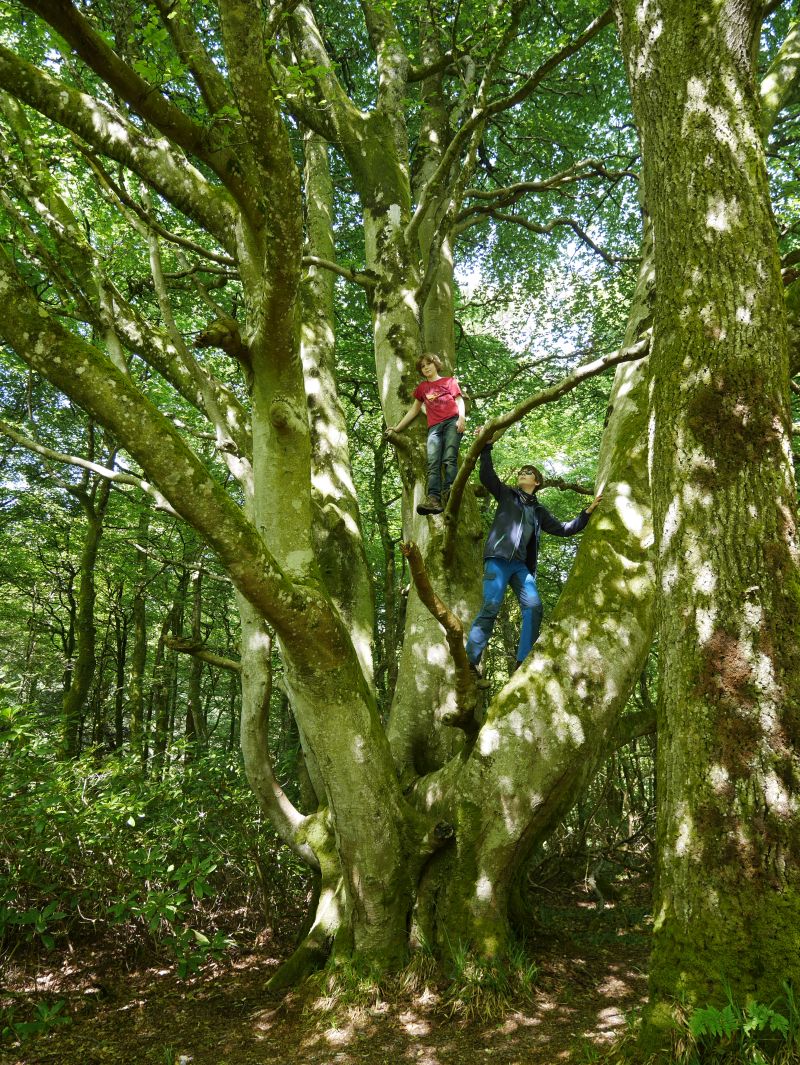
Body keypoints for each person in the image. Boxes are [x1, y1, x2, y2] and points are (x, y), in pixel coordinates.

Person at [465, 438, 602, 674]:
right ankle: (470, 661)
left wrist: (587, 513)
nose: (522, 474)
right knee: (491, 605)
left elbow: (564, 529)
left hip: (520, 566)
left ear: (536, 482)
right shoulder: (507, 495)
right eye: (521, 472)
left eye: (528, 472)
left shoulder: (538, 511)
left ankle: (522, 661)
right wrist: (485, 448)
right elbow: (487, 476)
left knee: (534, 606)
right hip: (497, 558)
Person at [388, 353, 465, 515]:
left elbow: (459, 400)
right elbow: (414, 410)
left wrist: (462, 419)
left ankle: (450, 491)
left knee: (450, 457)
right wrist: (397, 428)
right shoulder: (423, 388)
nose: (426, 367)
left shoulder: (449, 381)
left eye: (428, 363)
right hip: (434, 428)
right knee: (433, 463)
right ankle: (434, 499)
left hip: (452, 422)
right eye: (422, 366)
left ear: (436, 364)